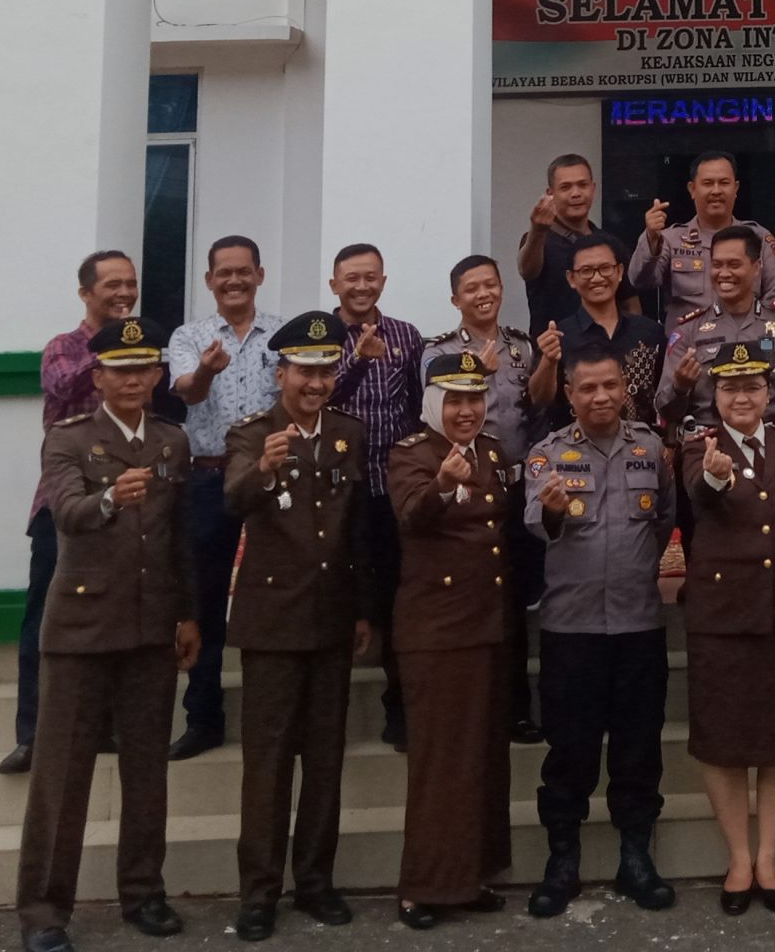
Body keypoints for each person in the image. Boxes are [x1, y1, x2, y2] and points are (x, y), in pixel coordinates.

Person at [14, 318, 198, 952]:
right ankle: (44, 911)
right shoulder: (67, 438)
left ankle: (144, 893)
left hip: (151, 626)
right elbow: (66, 513)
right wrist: (112, 498)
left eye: (143, 369)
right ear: (98, 378)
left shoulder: (172, 440)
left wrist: (188, 615)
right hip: (82, 629)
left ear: (157, 376)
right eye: (120, 370)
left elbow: (178, 539)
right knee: (62, 776)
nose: (132, 380)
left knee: (147, 771)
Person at [222, 313, 374, 940]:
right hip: (272, 623)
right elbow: (233, 497)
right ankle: (259, 891)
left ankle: (315, 881)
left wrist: (362, 608)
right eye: (304, 371)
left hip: (331, 618)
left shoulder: (346, 432)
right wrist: (262, 469)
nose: (315, 382)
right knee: (268, 765)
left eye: (325, 370)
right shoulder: (251, 433)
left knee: (326, 761)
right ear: (280, 372)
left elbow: (356, 529)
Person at [522, 339, 677, 917]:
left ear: (625, 388)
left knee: (639, 750)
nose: (601, 396)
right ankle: (562, 862)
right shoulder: (547, 454)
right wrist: (555, 508)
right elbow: (536, 523)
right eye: (587, 387)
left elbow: (663, 521)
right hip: (573, 630)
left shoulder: (650, 448)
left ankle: (636, 859)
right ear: (569, 394)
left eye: (610, 384)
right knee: (570, 752)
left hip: (638, 627)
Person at [680, 339, 775, 914]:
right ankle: (739, 859)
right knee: (722, 744)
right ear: (714, 395)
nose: (741, 397)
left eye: (751, 387)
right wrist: (717, 477)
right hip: (721, 619)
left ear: (769, 394)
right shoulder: (699, 448)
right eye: (729, 388)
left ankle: (769, 858)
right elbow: (699, 495)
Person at [389, 348, 522, 930]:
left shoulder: (491, 452)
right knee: (441, 761)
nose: (466, 411)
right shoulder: (411, 453)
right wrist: (442, 485)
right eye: (455, 401)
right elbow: (410, 516)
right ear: (433, 403)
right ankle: (422, 886)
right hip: (437, 629)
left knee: (484, 759)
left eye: (474, 399)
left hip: (487, 623)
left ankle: (470, 876)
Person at [6, 250, 139, 776]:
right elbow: (63, 385)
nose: (124, 293)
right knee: (47, 618)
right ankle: (33, 735)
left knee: (117, 616)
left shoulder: (141, 349)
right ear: (86, 293)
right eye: (112, 284)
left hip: (127, 502)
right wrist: (114, 348)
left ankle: (102, 725)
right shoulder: (63, 347)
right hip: (62, 504)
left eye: (130, 283)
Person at [159, 235, 281, 759]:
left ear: (259, 275)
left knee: (275, 593)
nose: (234, 280)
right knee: (205, 598)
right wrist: (209, 368)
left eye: (243, 271)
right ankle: (203, 718)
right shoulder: (189, 335)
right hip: (208, 481)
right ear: (209, 280)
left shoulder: (281, 335)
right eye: (223, 273)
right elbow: (188, 390)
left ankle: (273, 716)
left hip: (271, 477)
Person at [436, 253, 543, 739]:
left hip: (516, 487)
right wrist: (475, 373)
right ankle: (474, 709)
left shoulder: (522, 347)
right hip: (470, 486)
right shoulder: (438, 353)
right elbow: (438, 415)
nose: (484, 295)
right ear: (455, 299)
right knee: (477, 596)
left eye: (491, 285)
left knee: (516, 601)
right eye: (472, 288)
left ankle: (517, 708)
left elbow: (536, 411)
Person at [325, 241, 424, 750]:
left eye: (371, 277)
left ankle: (399, 708)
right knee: (334, 596)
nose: (362, 286)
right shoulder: (319, 335)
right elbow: (318, 398)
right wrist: (358, 363)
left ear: (383, 282)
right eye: (352, 278)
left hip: (392, 490)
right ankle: (325, 714)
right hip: (335, 491)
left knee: (395, 599)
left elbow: (419, 407)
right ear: (334, 284)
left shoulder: (406, 335)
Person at [655, 226, 775, 444]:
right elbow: (664, 411)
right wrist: (680, 387)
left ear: (756, 267)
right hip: (709, 449)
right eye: (717, 265)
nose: (724, 273)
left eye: (733, 265)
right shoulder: (688, 331)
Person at [630, 150, 775, 324]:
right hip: (688, 339)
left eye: (724, 183)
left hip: (746, 337)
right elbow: (640, 280)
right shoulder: (670, 239)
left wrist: (756, 330)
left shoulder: (759, 237)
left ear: (736, 188)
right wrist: (651, 239)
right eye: (708, 183)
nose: (716, 191)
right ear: (692, 189)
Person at [532, 231, 667, 430]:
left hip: (640, 446)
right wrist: (548, 362)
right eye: (586, 271)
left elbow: (666, 399)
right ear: (571, 278)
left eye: (605, 268)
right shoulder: (559, 337)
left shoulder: (650, 333)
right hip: (576, 447)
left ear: (619, 272)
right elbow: (538, 400)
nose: (597, 278)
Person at [517, 153, 637, 334]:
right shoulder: (538, 239)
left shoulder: (611, 244)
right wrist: (537, 230)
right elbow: (527, 271)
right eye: (565, 187)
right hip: (553, 346)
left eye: (583, 185)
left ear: (593, 189)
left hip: (605, 347)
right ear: (550, 194)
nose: (576, 193)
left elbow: (630, 303)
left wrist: (627, 341)